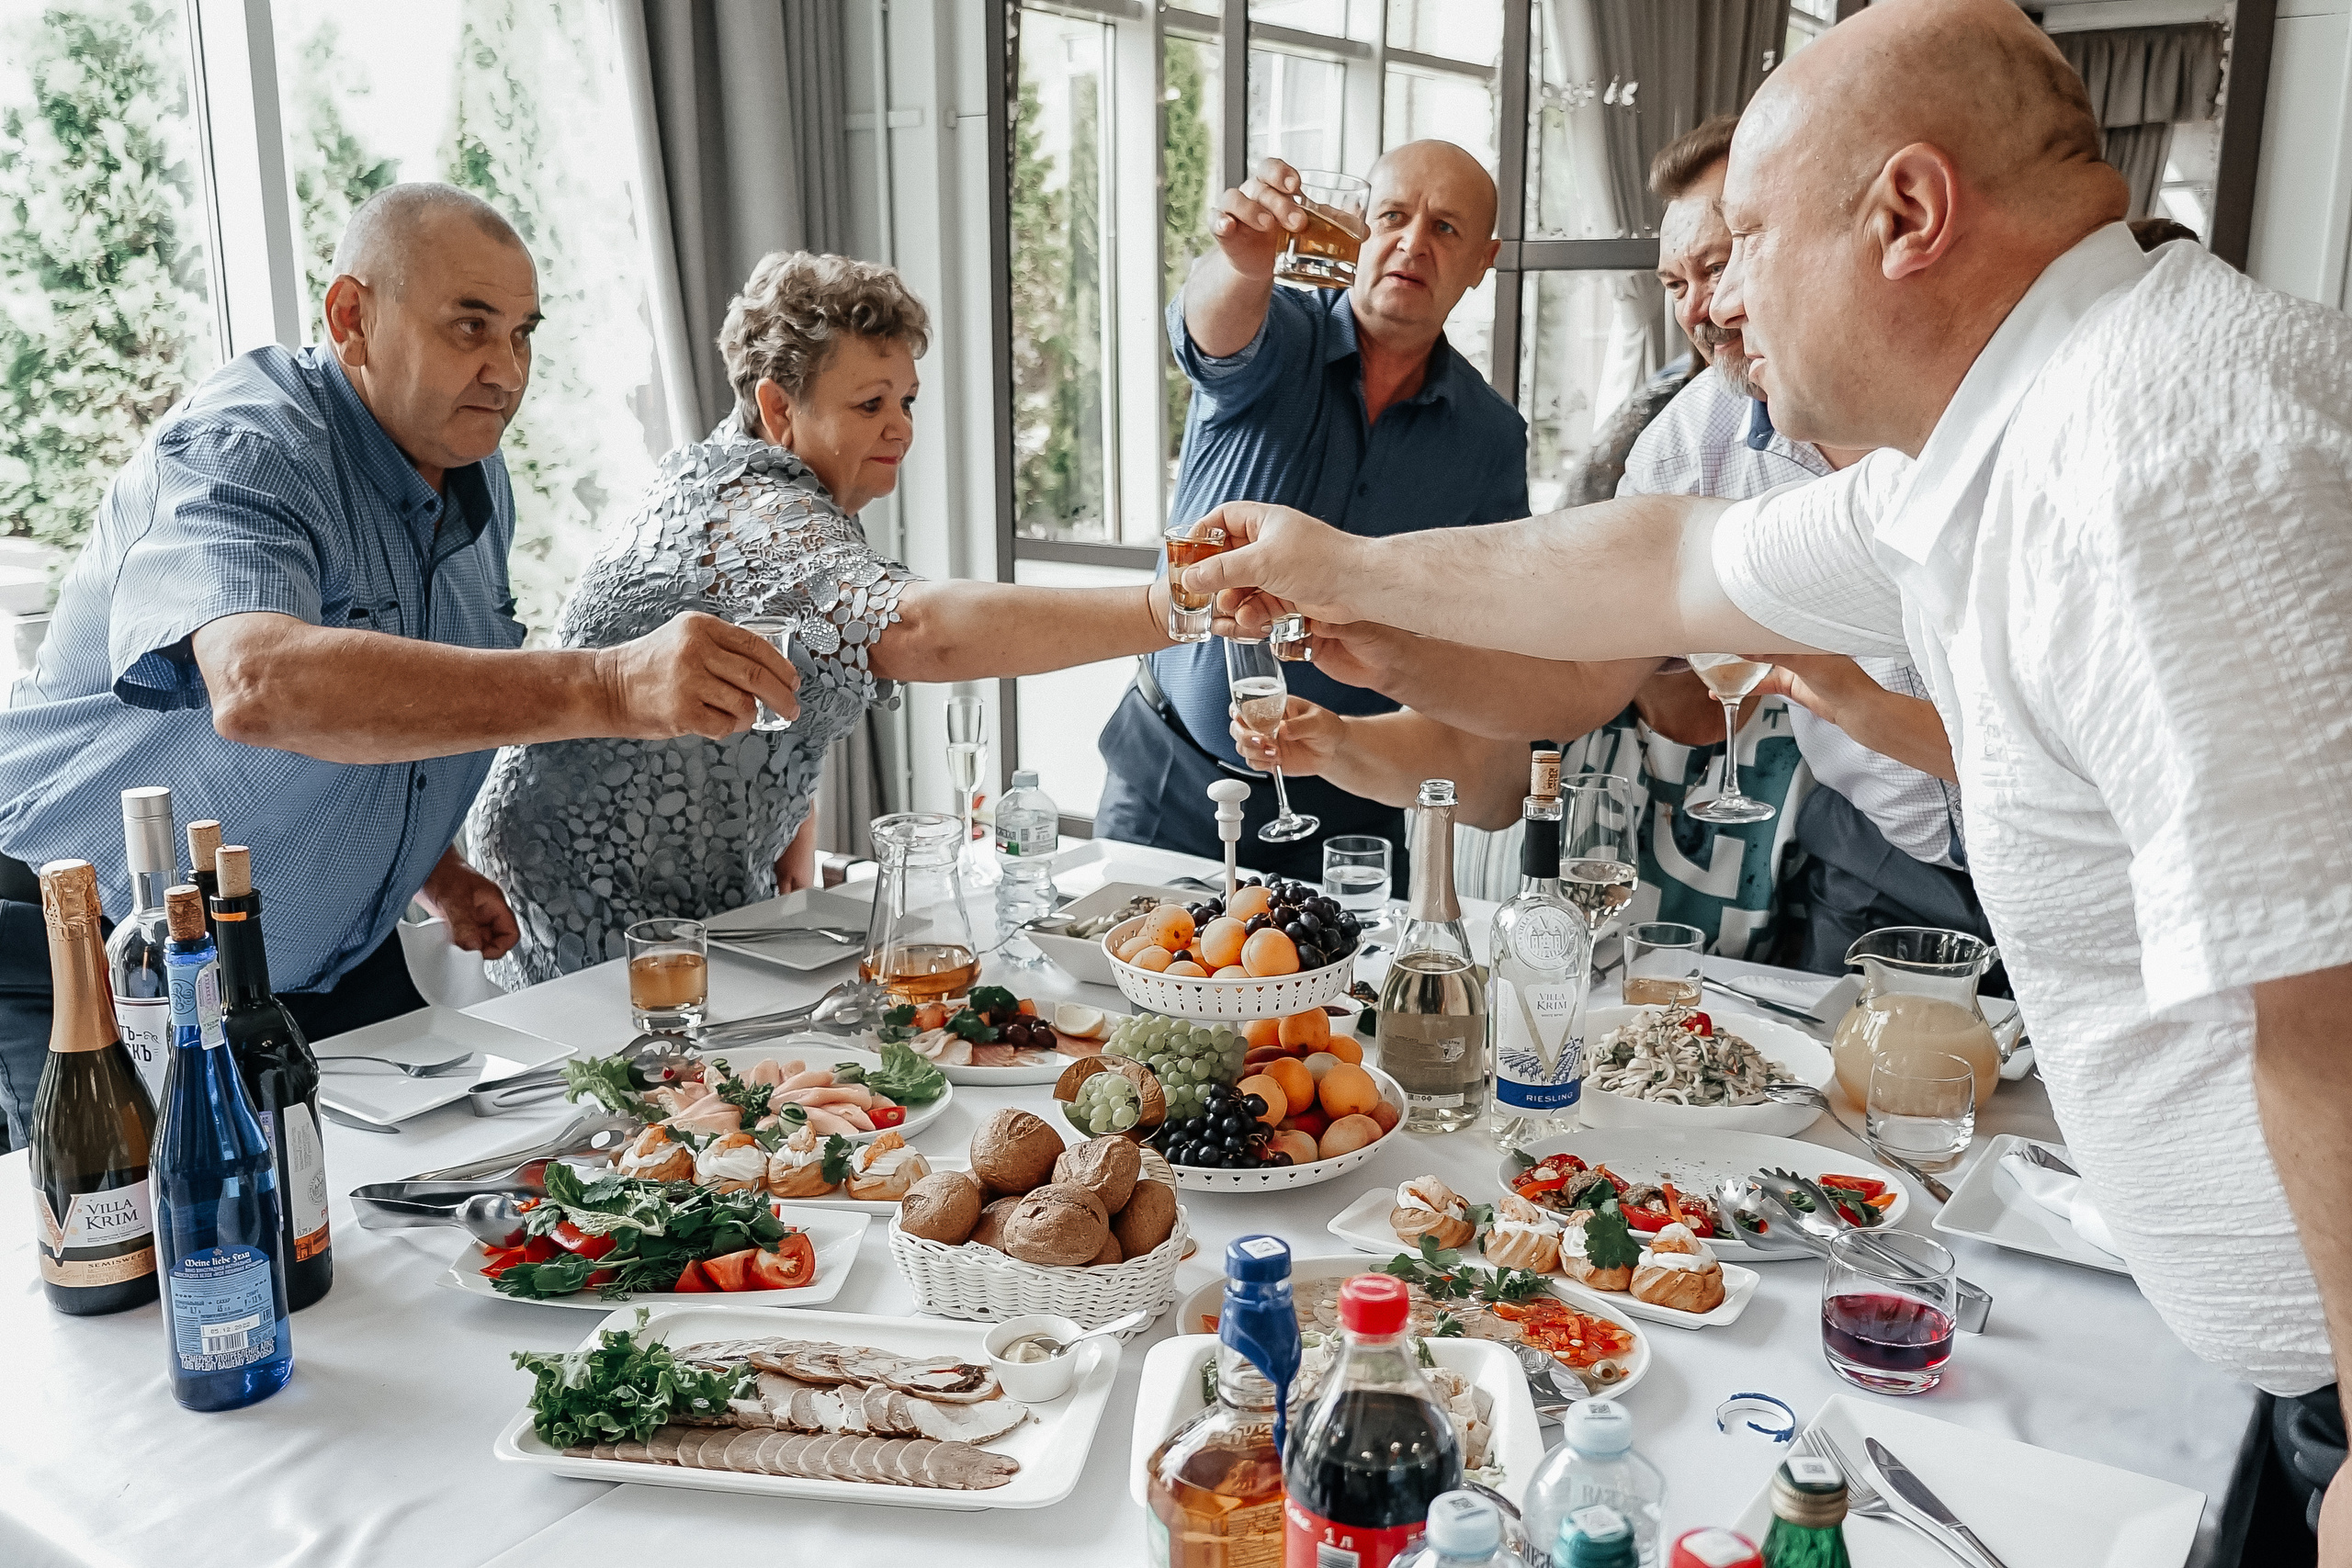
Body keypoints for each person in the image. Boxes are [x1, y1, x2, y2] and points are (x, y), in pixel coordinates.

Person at [1187, 0, 2352, 1551]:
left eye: (1747, 238)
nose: (1721, 298)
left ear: (1908, 214)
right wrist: (1347, 568)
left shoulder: (2166, 456)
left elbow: (2330, 1012)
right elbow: (1665, 560)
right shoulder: (1993, 444)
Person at [0, 183, 800, 1143]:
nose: (505, 370)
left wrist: (436, 866)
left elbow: (410, 675)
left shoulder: (472, 468)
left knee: (468, 1208)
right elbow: (263, 686)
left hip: (322, 969)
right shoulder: (243, 451)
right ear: (352, 318)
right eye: (471, 327)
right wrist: (611, 683)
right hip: (81, 965)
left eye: (521, 335)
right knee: (140, 1279)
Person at [469, 253, 1179, 983]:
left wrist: (789, 855)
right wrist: (1166, 610)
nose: (900, 428)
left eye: (907, 401)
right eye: (870, 405)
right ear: (778, 409)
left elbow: (796, 672)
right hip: (591, 899)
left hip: (695, 895)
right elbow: (914, 632)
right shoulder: (758, 513)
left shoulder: (742, 484)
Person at [1091, 141, 1527, 889]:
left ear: (1483, 261)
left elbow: (1485, 643)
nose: (1412, 242)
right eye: (1393, 215)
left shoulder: (1490, 439)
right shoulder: (1278, 332)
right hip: (1169, 785)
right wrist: (1242, 262)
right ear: (1358, 224)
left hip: (1348, 815)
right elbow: (1210, 327)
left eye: (1446, 229)